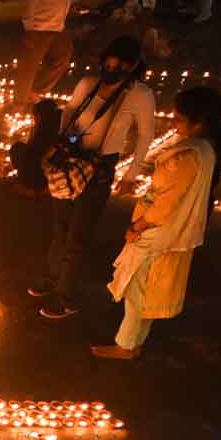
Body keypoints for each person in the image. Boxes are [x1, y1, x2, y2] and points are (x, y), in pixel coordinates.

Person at [31, 35, 155, 321]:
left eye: (118, 66)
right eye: (108, 64)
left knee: (78, 233)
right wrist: (61, 142)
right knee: (60, 225)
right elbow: (71, 112)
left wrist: (131, 174)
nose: (111, 70)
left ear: (133, 66)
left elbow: (145, 136)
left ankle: (65, 295)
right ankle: (51, 278)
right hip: (70, 160)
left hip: (100, 168)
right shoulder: (88, 85)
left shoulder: (139, 95)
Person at [95, 86, 221, 359]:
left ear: (198, 121)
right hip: (171, 233)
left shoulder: (188, 155)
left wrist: (138, 226)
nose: (173, 124)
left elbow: (166, 203)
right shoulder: (207, 150)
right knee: (147, 289)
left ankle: (126, 346)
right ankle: (134, 342)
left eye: (178, 119)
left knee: (135, 289)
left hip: (158, 232)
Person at [17, 0, 86, 106]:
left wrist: (75, 3)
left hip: (58, 26)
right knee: (28, 68)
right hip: (38, 27)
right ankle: (19, 104)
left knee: (62, 58)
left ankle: (36, 91)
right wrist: (28, 30)